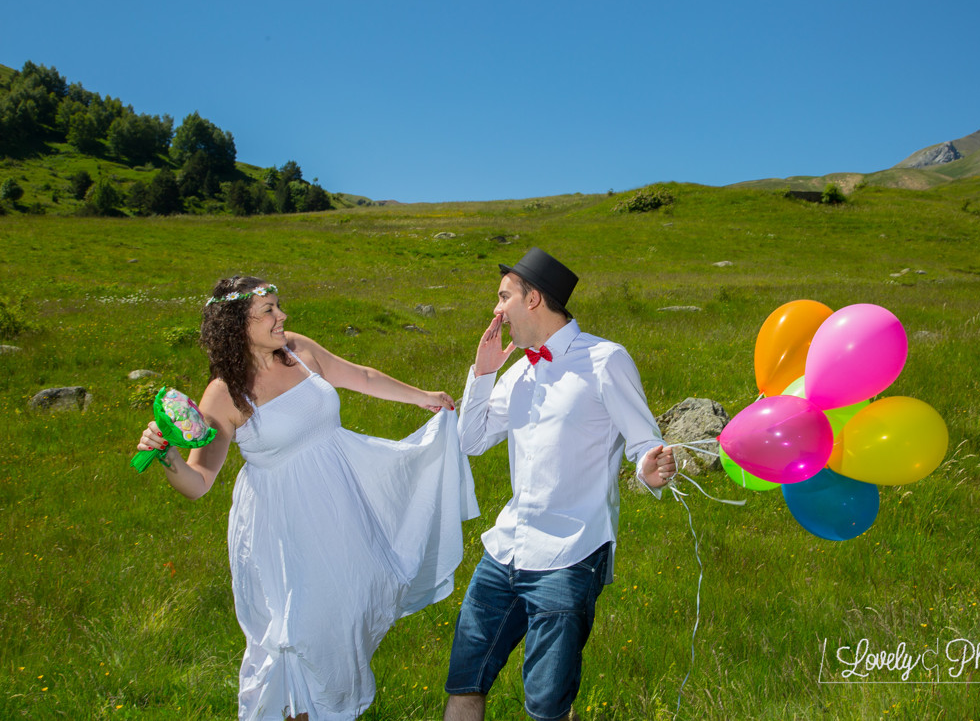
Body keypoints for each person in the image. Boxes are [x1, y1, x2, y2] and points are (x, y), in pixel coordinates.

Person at [135, 275, 479, 721]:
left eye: (279, 307)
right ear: (237, 324)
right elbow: (199, 481)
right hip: (283, 530)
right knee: (297, 637)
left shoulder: (298, 349)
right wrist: (167, 458)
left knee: (342, 622)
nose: (283, 317)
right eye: (270, 311)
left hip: (341, 507)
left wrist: (424, 398)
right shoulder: (225, 393)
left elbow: (361, 376)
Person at [443, 248, 676, 721]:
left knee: (548, 705)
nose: (496, 309)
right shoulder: (520, 371)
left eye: (503, 297)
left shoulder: (605, 359)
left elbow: (644, 441)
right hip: (504, 548)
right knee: (465, 680)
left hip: (570, 555)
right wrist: (483, 374)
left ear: (534, 299)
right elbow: (470, 440)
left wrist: (648, 471)